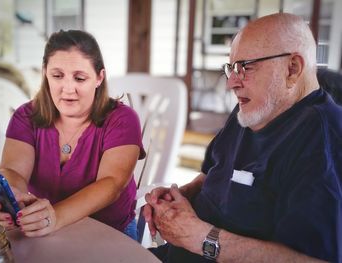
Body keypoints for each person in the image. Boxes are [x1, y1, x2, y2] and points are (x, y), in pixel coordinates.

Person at [144, 13, 342, 262]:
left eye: (245, 67)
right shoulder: (252, 109)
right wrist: (180, 197)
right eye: (231, 68)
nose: (232, 83)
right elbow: (215, 174)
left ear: (293, 68)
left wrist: (201, 238)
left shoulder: (321, 139)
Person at [0, 30, 145, 240]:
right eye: (57, 76)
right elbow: (12, 171)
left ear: (99, 77)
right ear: (45, 73)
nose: (68, 89)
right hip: (45, 227)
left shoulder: (123, 119)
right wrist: (14, 197)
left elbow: (112, 184)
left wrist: (55, 216)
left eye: (80, 78)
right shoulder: (25, 116)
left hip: (109, 231)